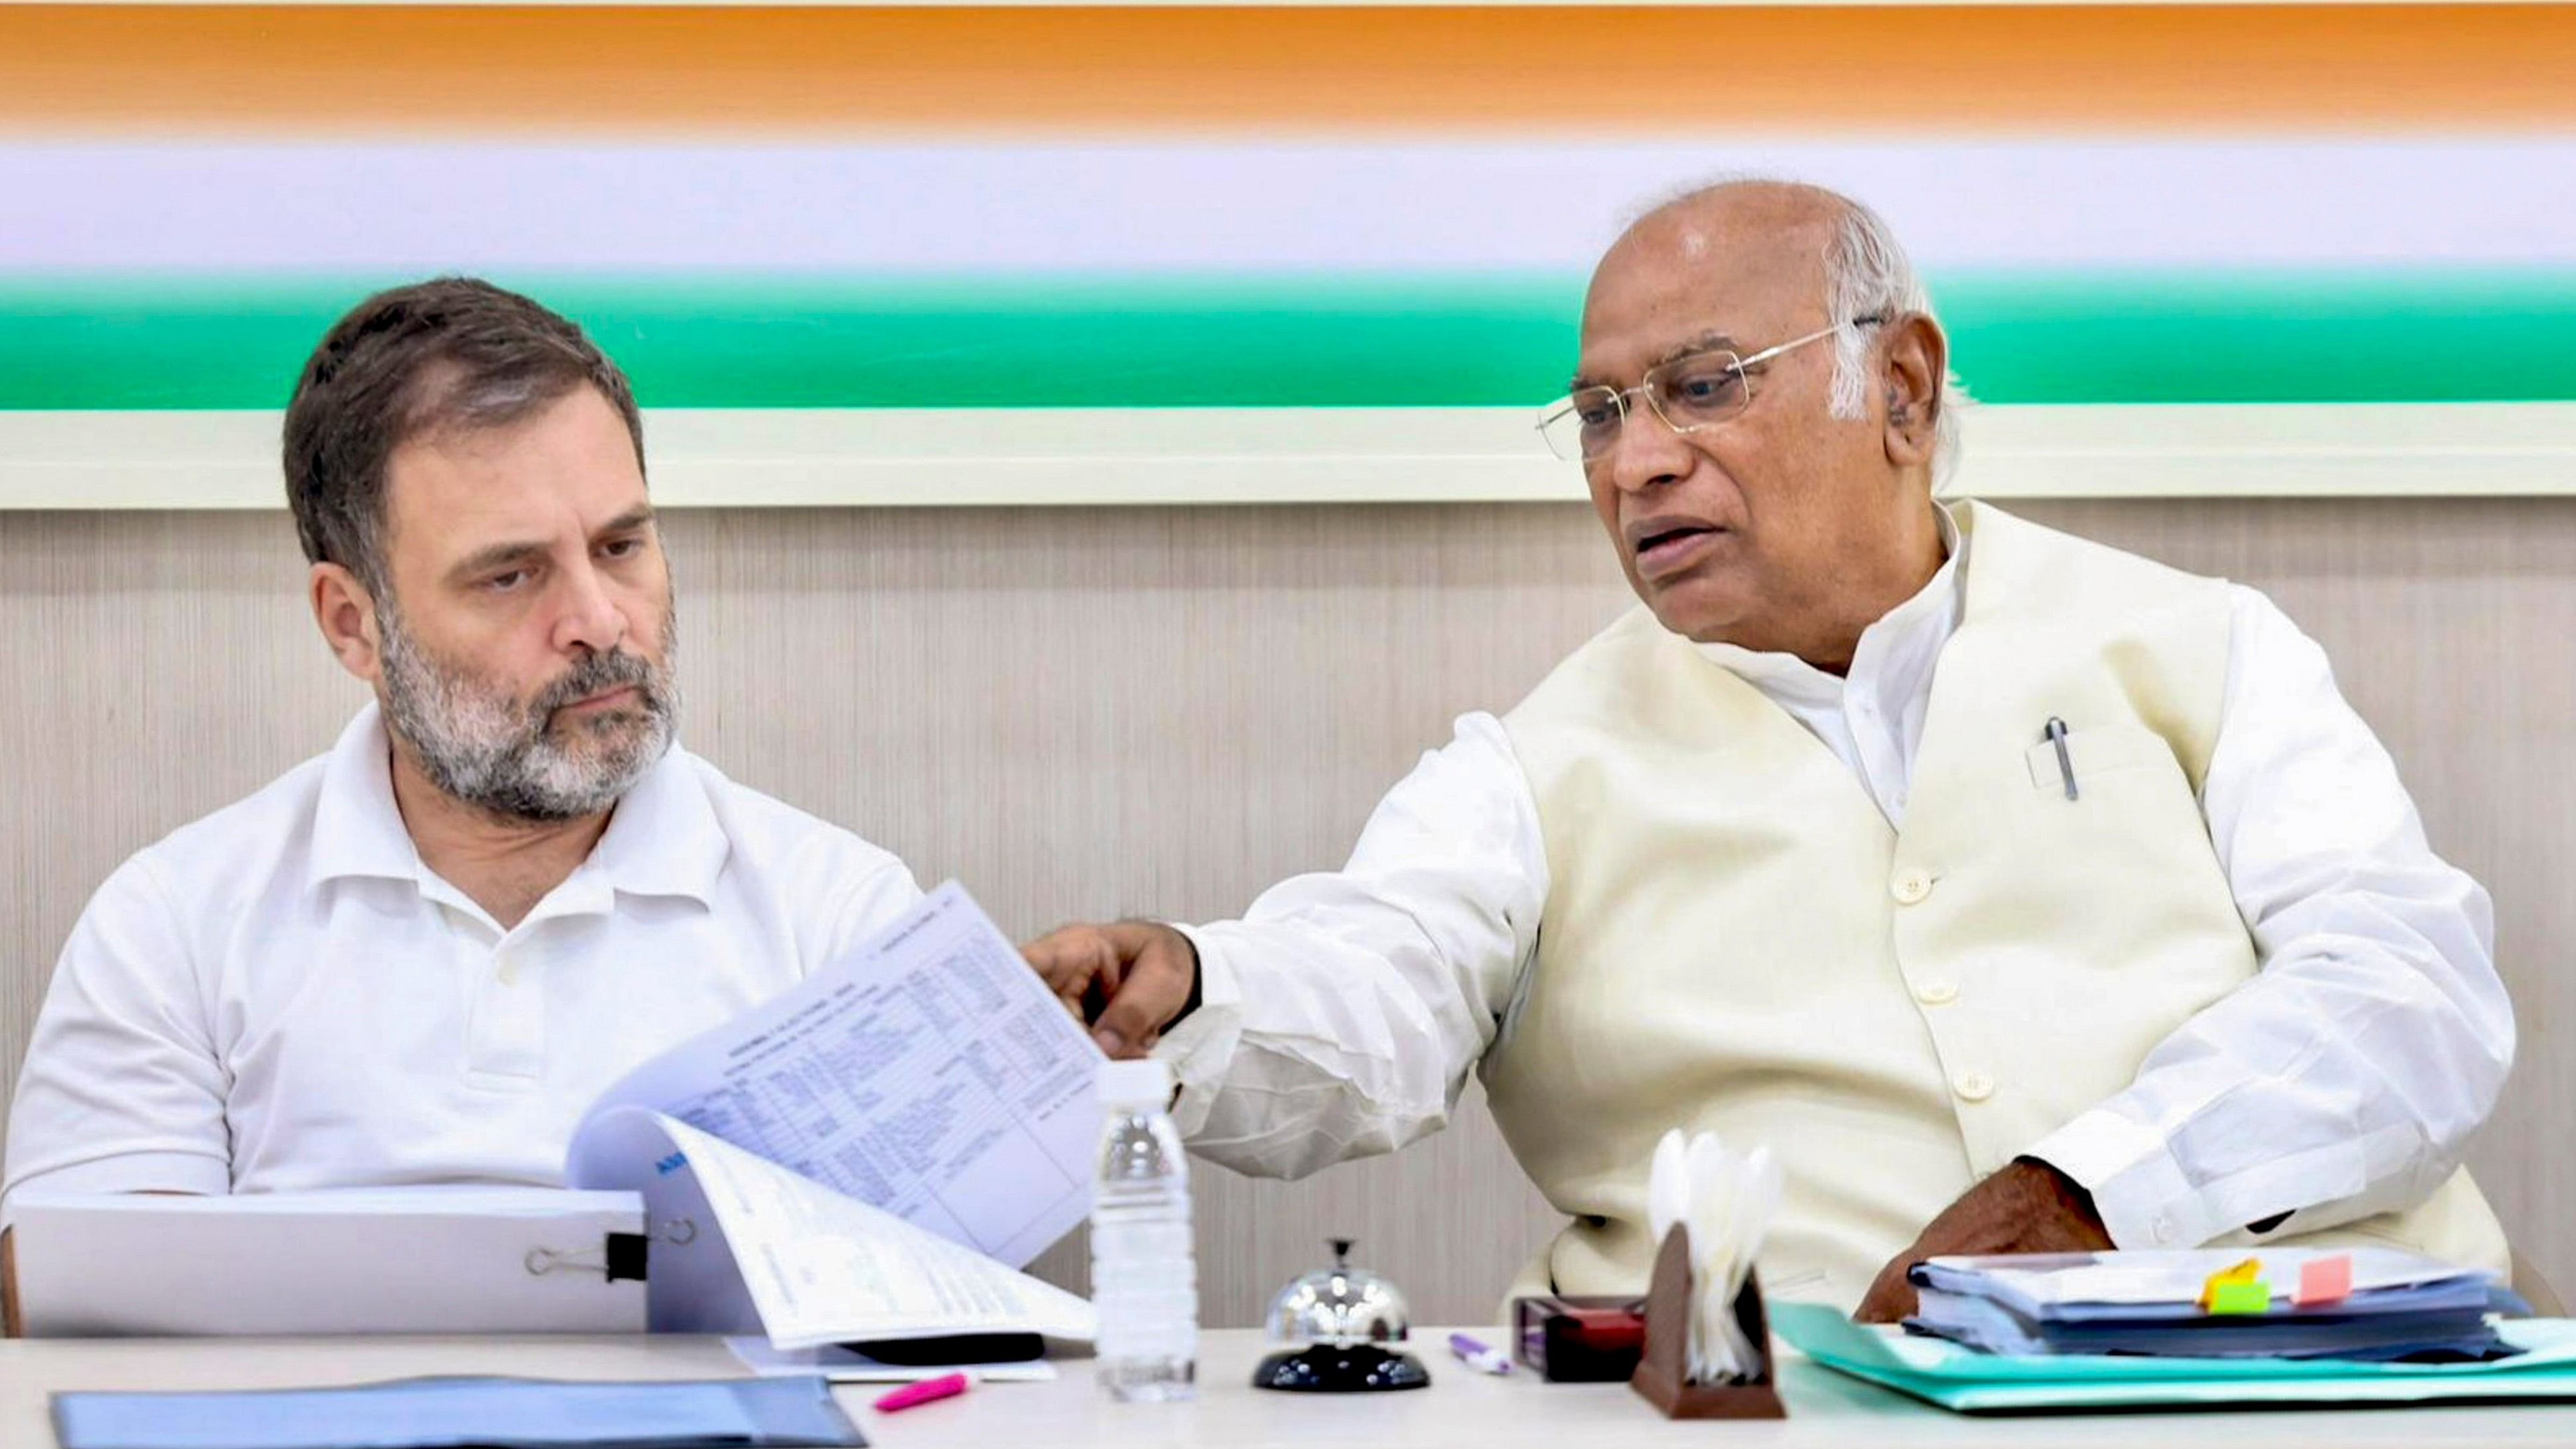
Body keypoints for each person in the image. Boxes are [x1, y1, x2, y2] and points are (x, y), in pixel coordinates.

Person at [1024, 180, 2514, 1319]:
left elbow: (2403, 996)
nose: (1634, 460)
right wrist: (1195, 988)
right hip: (1786, 1412)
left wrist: (2087, 1192)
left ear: (1905, 391)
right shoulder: (1532, 765)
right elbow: (1368, 988)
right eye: (1599, 413)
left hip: (2281, 1379)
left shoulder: (2203, 647)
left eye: (1702, 383)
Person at [5, 279, 920, 1205]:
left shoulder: (837, 922)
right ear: (354, 623)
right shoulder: (175, 924)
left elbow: (923, 1304)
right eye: (510, 576)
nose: (600, 623)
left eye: (619, 548)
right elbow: (80, 1299)